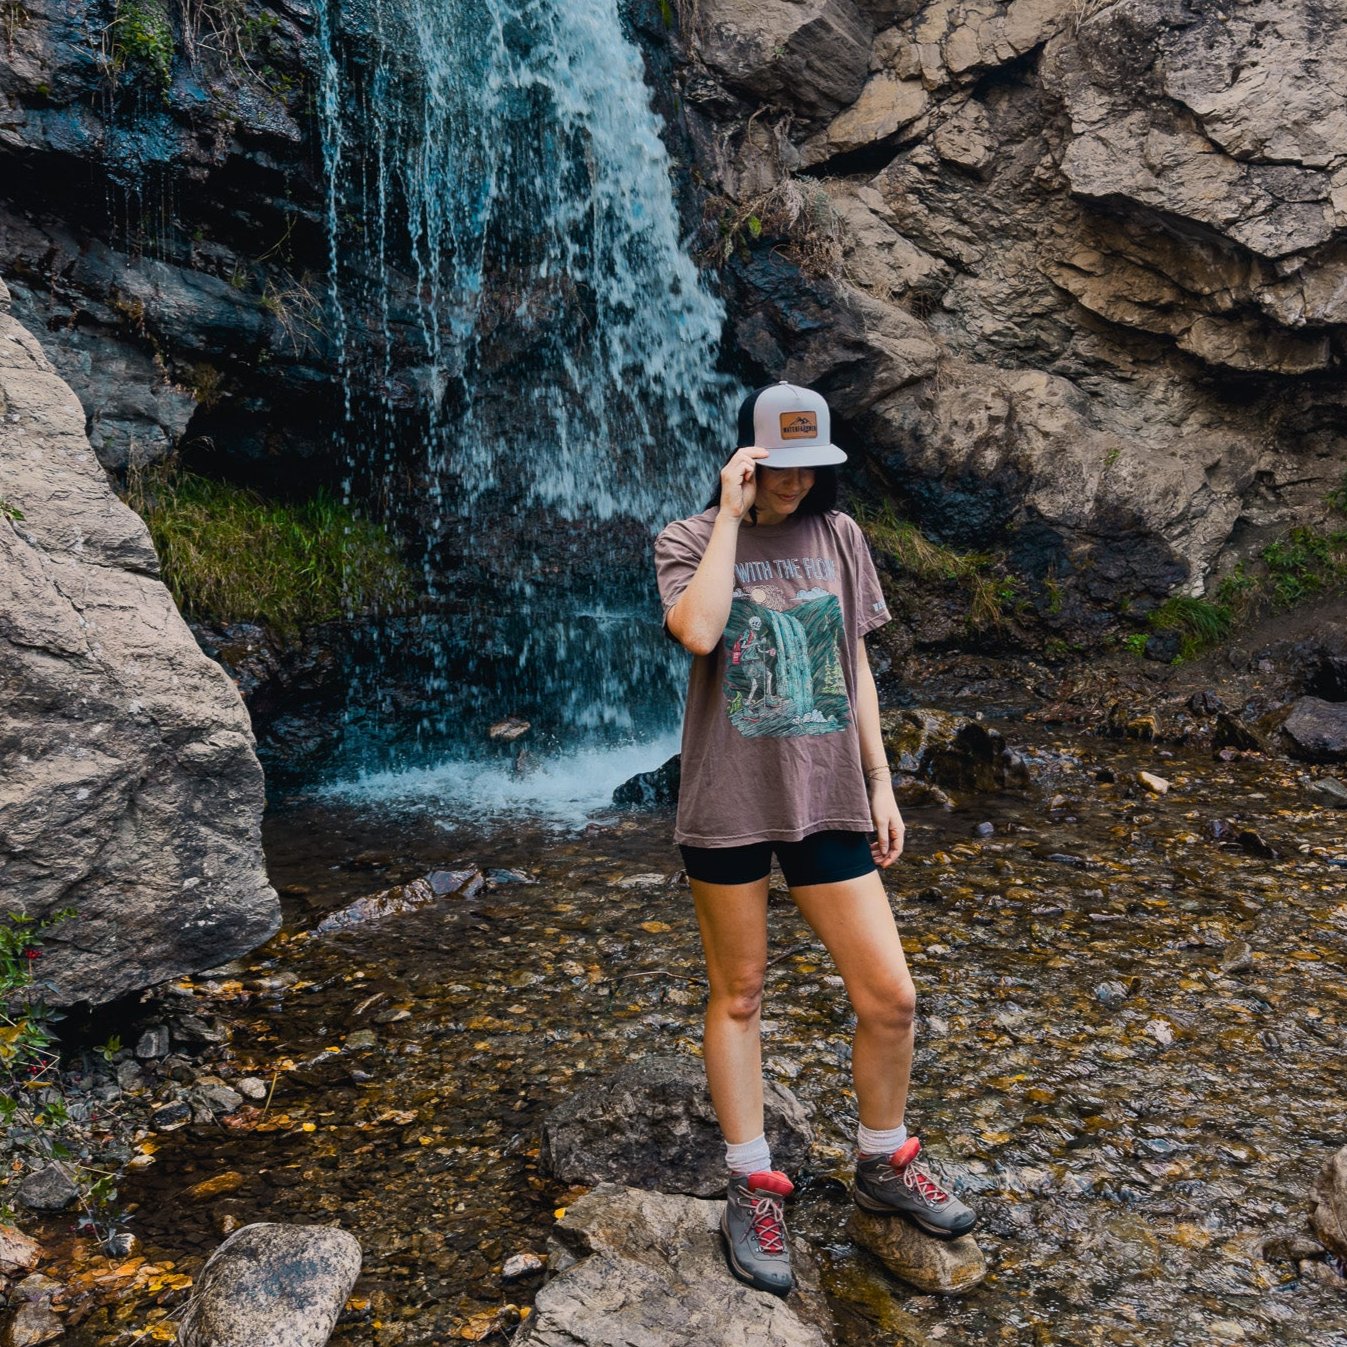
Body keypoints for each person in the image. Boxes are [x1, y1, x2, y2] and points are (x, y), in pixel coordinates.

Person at [654, 381, 977, 1298]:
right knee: (742, 992)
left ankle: (882, 1162)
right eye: (780, 465)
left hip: (828, 798)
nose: (796, 483)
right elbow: (700, 629)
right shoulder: (686, 540)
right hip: (726, 803)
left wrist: (880, 783)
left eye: (812, 466)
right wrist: (728, 514)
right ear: (749, 456)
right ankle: (751, 1181)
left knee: (890, 998)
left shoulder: (840, 538)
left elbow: (855, 666)